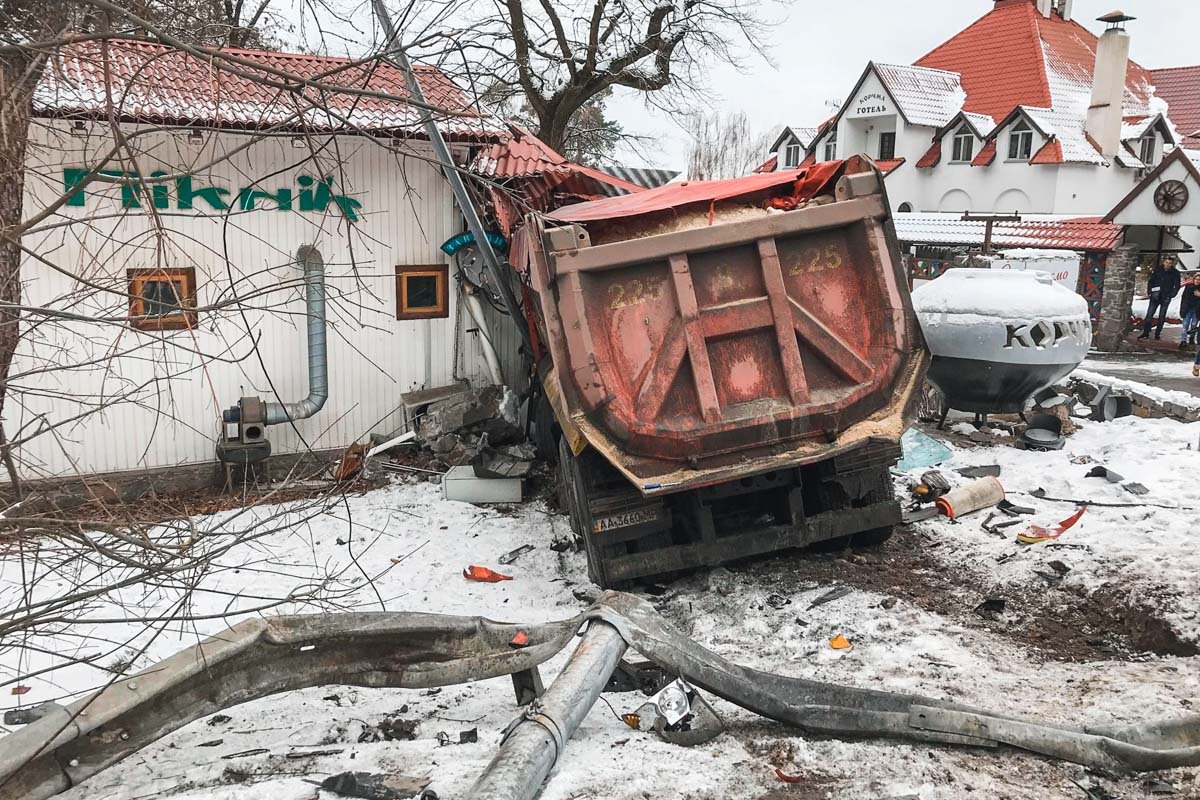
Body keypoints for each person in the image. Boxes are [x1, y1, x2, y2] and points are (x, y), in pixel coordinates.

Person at [1139, 257, 1182, 341]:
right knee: (1149, 315)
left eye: (1170, 263)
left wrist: (1172, 295)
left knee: (1162, 316)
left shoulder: (1175, 273)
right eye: (1166, 262)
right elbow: (1151, 281)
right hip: (1155, 296)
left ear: (1172, 264)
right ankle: (1146, 333)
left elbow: (1177, 285)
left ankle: (1157, 334)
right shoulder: (1158, 270)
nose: (1168, 264)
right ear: (1163, 262)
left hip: (1166, 296)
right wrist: (1150, 292)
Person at [1180, 273, 1200, 349]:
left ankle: (1192, 337)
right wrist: (1182, 310)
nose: (1197, 281)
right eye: (1196, 279)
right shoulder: (1188, 287)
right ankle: (1183, 340)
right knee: (1185, 324)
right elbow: (1184, 299)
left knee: (1194, 325)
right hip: (1188, 309)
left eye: (1199, 280)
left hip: (1197, 310)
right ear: (1193, 279)